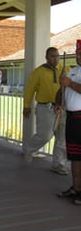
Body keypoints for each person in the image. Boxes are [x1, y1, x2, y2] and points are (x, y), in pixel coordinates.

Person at [23, 47, 68, 175]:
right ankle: (28, 149)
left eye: (57, 56)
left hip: (62, 108)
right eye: (52, 56)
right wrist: (27, 105)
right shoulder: (39, 71)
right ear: (47, 57)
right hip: (45, 107)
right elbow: (29, 89)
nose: (56, 58)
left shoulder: (64, 70)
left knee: (62, 137)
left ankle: (58, 164)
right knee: (45, 135)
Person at [58, 40, 81, 204]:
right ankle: (76, 187)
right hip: (72, 118)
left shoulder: (72, 77)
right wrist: (59, 103)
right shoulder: (73, 71)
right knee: (74, 155)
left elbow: (72, 86)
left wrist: (70, 83)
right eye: (78, 52)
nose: (78, 55)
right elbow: (63, 91)